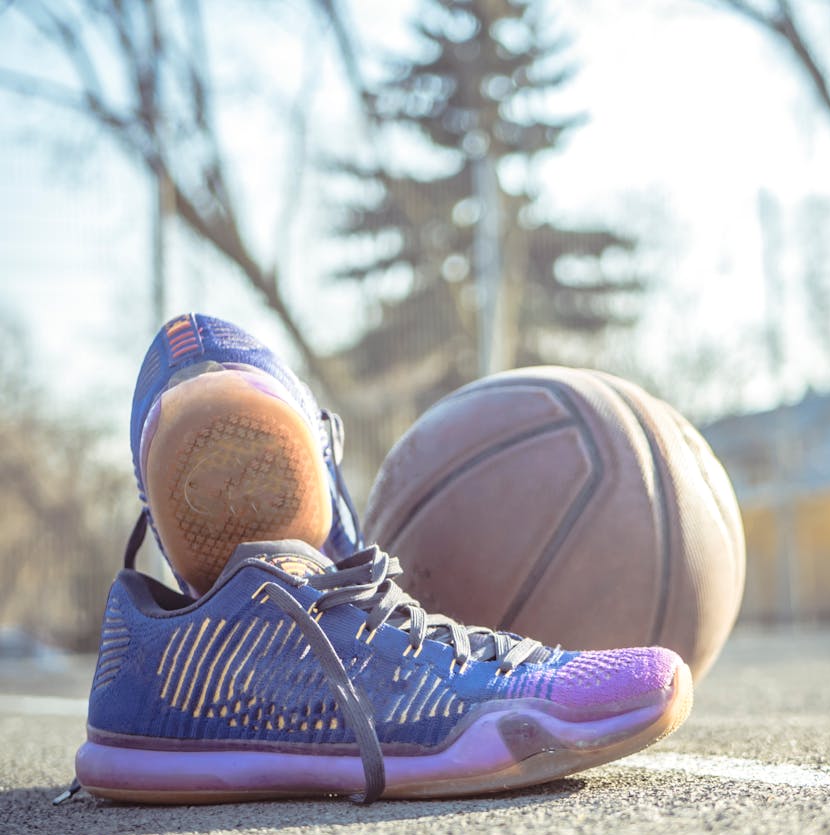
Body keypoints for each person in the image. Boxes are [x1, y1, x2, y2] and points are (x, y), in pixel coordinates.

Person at [58, 313, 691, 805]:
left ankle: (170, 686)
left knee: (295, 588)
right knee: (292, 586)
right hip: (291, 634)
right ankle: (336, 626)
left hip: (180, 682)